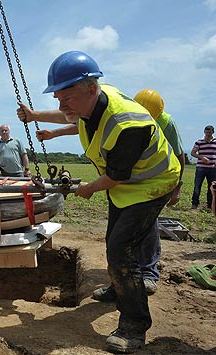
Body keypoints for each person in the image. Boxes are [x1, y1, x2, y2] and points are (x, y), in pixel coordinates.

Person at [16, 51, 180, 353]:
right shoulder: (91, 103)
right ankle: (122, 288)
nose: (61, 105)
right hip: (129, 185)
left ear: (90, 89)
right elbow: (71, 118)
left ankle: (133, 325)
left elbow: (115, 177)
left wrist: (89, 188)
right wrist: (36, 116)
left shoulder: (127, 124)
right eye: (57, 98)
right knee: (113, 241)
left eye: (66, 98)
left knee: (121, 247)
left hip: (152, 184)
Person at [190, 125, 216, 209]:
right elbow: (193, 153)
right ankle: (195, 203)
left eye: (209, 132)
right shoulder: (199, 142)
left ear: (213, 132)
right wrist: (201, 157)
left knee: (211, 187)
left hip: (212, 168)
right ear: (204, 132)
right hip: (201, 168)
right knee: (197, 186)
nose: (208, 134)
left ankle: (210, 204)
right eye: (206, 132)